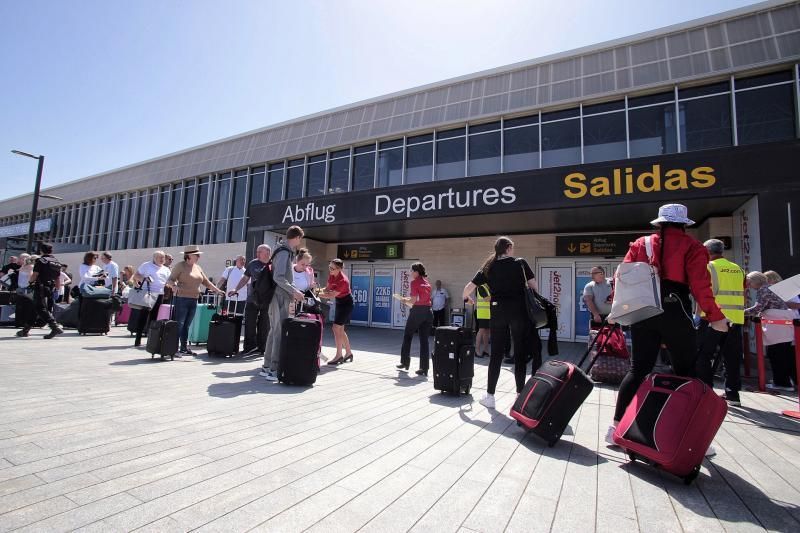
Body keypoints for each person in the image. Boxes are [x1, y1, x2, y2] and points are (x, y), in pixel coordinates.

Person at [604, 204, 727, 452]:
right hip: (675, 310)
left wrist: (616, 312)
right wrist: (715, 317)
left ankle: (615, 428)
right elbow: (699, 285)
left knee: (638, 369)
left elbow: (623, 277)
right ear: (684, 224)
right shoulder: (693, 247)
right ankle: (688, 437)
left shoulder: (641, 243)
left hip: (642, 312)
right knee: (685, 372)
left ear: (660, 222)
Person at [462, 236, 537, 409]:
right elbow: (534, 287)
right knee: (519, 352)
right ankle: (519, 395)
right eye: (513, 247)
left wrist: (467, 299)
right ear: (508, 247)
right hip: (519, 312)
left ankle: (490, 396)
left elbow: (467, 289)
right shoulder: (520, 263)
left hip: (497, 312)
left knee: (496, 353)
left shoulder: (489, 267)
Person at [695, 239, 745, 406]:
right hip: (735, 319)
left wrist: (697, 315)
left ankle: (707, 390)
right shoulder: (737, 268)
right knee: (732, 357)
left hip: (713, 318)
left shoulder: (709, 267)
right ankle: (733, 393)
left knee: (703, 355)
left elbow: (703, 292)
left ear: (707, 252)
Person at [260, 227, 305, 381]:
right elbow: (279, 277)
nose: (300, 242)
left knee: (274, 330)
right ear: (297, 237)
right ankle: (274, 368)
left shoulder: (281, 250)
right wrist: (294, 291)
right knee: (278, 331)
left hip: (276, 295)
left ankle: (267, 366)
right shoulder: (285, 251)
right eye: (300, 238)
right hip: (279, 295)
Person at [167, 245, 224, 355]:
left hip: (194, 299)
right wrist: (174, 286)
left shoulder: (198, 267)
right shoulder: (180, 266)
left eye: (198, 255)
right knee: (179, 324)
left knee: (187, 325)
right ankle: (172, 349)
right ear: (189, 256)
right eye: (196, 255)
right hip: (181, 299)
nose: (198, 256)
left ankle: (183, 348)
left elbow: (206, 282)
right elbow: (170, 280)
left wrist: (218, 290)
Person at [746, 271, 796, 391]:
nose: (748, 286)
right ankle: (788, 381)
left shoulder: (763, 290)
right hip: (784, 324)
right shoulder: (771, 288)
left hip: (777, 327)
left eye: (749, 282)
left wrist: (740, 312)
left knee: (776, 354)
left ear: (755, 281)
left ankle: (782, 383)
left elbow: (758, 308)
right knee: (785, 354)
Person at [229, 244, 271, 356]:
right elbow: (245, 278)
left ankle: (262, 348)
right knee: (249, 323)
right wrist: (235, 288)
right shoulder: (253, 263)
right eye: (257, 251)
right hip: (252, 298)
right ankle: (249, 347)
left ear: (267, 253)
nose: (257, 254)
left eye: (259, 252)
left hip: (267, 299)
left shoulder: (273, 264)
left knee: (264, 324)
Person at [15, 243, 64, 339]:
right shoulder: (57, 262)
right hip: (50, 287)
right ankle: (25, 330)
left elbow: (35, 274)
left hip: (40, 286)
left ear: (41, 251)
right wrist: (57, 289)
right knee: (35, 308)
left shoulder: (41, 261)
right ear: (51, 251)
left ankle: (54, 326)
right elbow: (58, 278)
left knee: (40, 308)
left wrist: (30, 282)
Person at [397, 263, 434, 375]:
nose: (410, 272)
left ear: (417, 272)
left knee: (408, 335)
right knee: (424, 340)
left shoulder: (414, 283)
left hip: (417, 312)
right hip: (428, 312)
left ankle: (405, 362)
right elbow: (418, 298)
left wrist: (404, 300)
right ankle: (424, 368)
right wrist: (407, 299)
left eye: (412, 270)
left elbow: (413, 301)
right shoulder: (427, 283)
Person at [132, 251, 171, 347]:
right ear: (154, 258)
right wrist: (144, 279)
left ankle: (151, 338)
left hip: (159, 294)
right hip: (147, 293)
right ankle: (138, 338)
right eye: (159, 257)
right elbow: (136, 275)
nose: (162, 259)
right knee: (144, 315)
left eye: (163, 258)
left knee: (154, 317)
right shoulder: (146, 265)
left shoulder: (166, 269)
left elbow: (170, 281)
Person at [320, 258, 354, 366]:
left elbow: (330, 295)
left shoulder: (343, 280)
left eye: (332, 268)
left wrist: (317, 294)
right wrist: (317, 290)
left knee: (336, 328)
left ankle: (339, 355)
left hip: (347, 304)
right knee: (340, 329)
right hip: (339, 302)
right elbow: (327, 289)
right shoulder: (332, 275)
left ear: (339, 269)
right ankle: (348, 353)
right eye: (329, 267)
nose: (330, 269)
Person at [291, 248, 316, 312]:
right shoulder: (289, 268)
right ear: (297, 261)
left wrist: (312, 286)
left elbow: (310, 289)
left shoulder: (309, 271)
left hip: (302, 302)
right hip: (289, 299)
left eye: (307, 265)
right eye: (303, 264)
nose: (305, 267)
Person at [475, 284, 491, 358]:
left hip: (488, 313)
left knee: (487, 331)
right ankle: (477, 351)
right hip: (482, 313)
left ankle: (486, 350)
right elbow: (487, 299)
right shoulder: (481, 287)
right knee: (481, 331)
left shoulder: (488, 287)